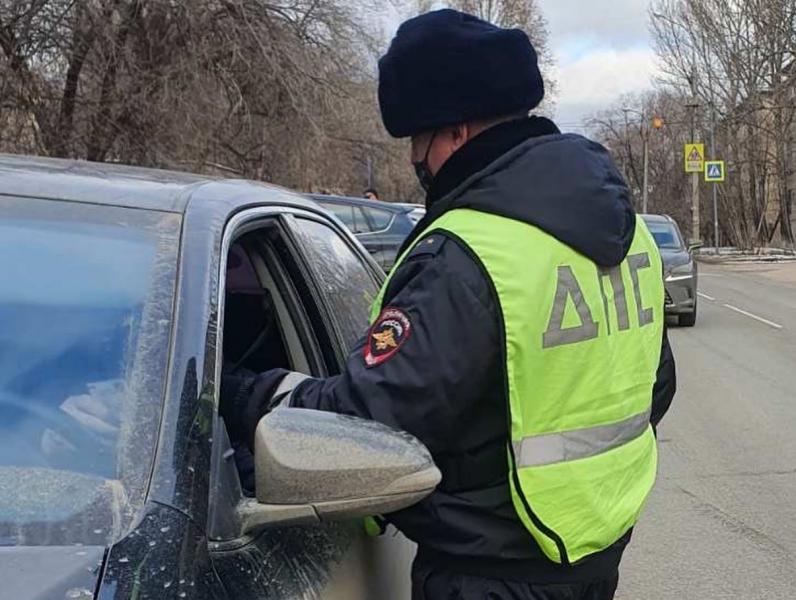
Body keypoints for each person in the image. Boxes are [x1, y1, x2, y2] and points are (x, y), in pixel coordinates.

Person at [222, 9, 676, 600]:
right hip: (592, 550)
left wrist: (244, 395)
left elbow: (367, 422)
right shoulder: (630, 234)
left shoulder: (467, 252)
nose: (417, 159)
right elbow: (655, 385)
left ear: (457, 133)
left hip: (490, 572)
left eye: (419, 140)